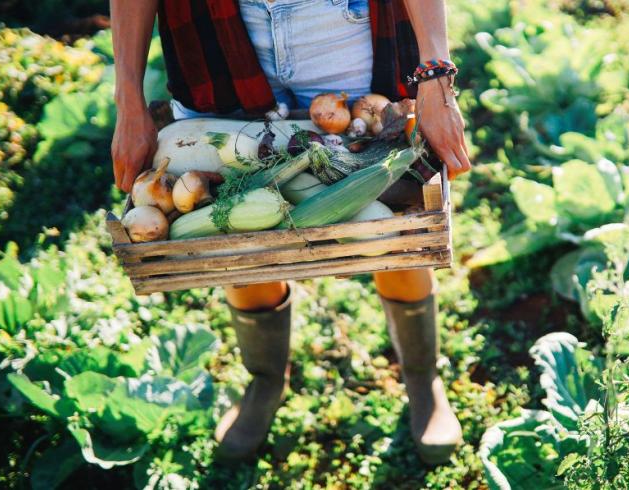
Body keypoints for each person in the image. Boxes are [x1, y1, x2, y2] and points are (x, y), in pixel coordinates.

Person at [110, 0, 472, 464]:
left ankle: (422, 376)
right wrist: (128, 98)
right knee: (235, 228)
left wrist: (437, 76)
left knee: (390, 224)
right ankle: (265, 378)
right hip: (217, 39)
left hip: (344, 33)